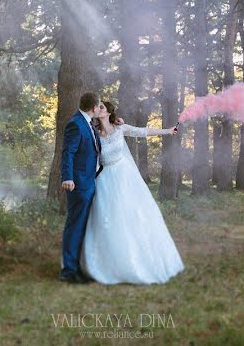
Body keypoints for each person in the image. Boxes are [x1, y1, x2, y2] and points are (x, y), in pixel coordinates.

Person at [79, 100, 185, 284]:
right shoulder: (93, 133)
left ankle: (137, 261)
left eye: (101, 107)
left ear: (109, 111)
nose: (98, 109)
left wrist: (167, 131)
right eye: (96, 107)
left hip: (125, 177)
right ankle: (108, 263)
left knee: (133, 215)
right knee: (107, 219)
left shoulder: (120, 128)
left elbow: (142, 131)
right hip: (104, 179)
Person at [59, 92, 105, 283]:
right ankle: (68, 271)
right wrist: (68, 177)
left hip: (89, 181)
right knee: (75, 227)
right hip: (78, 184)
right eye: (99, 106)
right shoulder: (76, 124)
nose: (100, 109)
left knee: (82, 227)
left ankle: (77, 267)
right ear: (93, 108)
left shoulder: (88, 123)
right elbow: (68, 152)